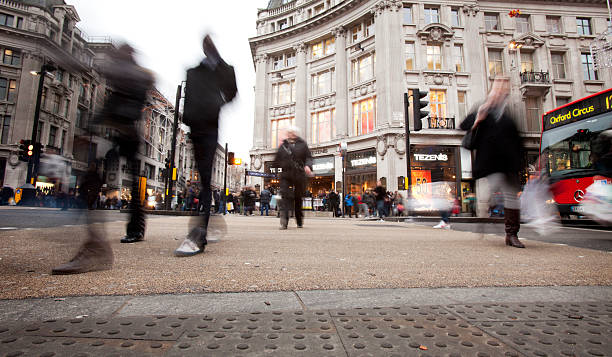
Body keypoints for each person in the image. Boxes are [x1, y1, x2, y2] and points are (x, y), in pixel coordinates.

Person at [174, 35, 237, 257]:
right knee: (202, 177)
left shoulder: (222, 70)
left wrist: (216, 103)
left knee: (206, 180)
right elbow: (188, 98)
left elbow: (232, 90)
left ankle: (199, 234)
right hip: (195, 128)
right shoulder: (192, 73)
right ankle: (203, 225)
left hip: (210, 127)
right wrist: (186, 118)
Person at [460, 77, 525, 248]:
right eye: (497, 88)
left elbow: (517, 140)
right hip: (490, 163)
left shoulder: (508, 113)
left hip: (508, 163)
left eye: (504, 88)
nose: (500, 91)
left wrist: (519, 164)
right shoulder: (483, 109)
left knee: (511, 196)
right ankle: (489, 210)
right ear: (491, 91)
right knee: (495, 186)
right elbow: (463, 125)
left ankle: (511, 234)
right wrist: (478, 120)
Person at [274, 126, 313, 229]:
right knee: (285, 197)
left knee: (298, 198)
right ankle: (284, 221)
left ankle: (299, 220)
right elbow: (276, 161)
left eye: (293, 132)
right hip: (286, 175)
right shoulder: (283, 146)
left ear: (296, 134)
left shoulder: (302, 144)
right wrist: (275, 172)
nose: (291, 134)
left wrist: (307, 166)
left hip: (299, 174)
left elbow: (308, 157)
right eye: (289, 132)